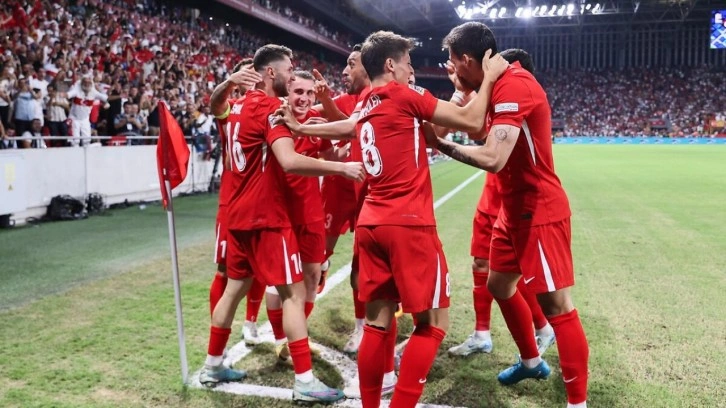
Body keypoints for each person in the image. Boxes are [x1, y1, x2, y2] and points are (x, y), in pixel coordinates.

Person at [431, 22, 590, 408]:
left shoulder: (515, 85)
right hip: (512, 210)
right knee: (499, 285)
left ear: (467, 59)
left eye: (453, 61)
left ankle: (577, 403)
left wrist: (439, 145)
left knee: (557, 306)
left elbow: (493, 157)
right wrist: (462, 89)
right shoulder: (492, 87)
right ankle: (531, 361)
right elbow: (467, 125)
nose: (450, 68)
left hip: (539, 210)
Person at [348, 30, 506, 407]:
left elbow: (432, 133)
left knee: (377, 322)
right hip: (408, 223)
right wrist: (490, 78)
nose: (411, 70)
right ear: (390, 65)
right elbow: (472, 121)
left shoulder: (365, 102)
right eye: (407, 63)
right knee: (433, 323)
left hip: (370, 222)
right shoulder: (404, 94)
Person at [200, 44, 363, 405]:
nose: (292, 78)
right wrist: (341, 168)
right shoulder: (269, 109)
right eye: (289, 71)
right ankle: (304, 380)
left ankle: (213, 364)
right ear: (271, 73)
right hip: (266, 217)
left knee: (234, 289)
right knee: (294, 294)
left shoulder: (236, 107)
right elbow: (288, 161)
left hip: (236, 216)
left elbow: (216, 105)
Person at [447, 49, 555, 358]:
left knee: (511, 274)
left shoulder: (518, 97)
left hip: (512, 198)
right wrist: (464, 90)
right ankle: (482, 333)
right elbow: (479, 127)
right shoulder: (499, 99)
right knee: (482, 264)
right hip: (492, 194)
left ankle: (542, 327)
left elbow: (485, 138)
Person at [259, 70, 349, 361]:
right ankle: (280, 338)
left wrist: (343, 151)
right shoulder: (274, 119)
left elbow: (331, 157)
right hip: (280, 214)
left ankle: (297, 336)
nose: (305, 98)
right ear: (287, 92)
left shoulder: (316, 123)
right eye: (299, 92)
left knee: (312, 276)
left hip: (311, 212)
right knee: (280, 281)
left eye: (310, 93)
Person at [67, 76, 109, 146]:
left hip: (85, 119)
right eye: (85, 82)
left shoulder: (93, 92)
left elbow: (105, 98)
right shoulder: (77, 90)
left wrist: (105, 102)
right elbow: (68, 94)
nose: (87, 84)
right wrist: (62, 95)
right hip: (74, 119)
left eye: (88, 82)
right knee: (75, 141)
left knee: (87, 140)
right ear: (82, 83)